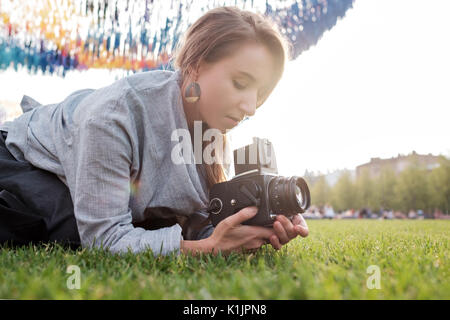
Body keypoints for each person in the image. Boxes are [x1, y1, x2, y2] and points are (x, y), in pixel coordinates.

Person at [0, 7, 309, 256]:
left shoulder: (214, 136)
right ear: (197, 66)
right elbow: (104, 239)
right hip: (21, 157)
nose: (251, 108)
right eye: (241, 84)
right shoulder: (116, 114)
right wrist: (207, 249)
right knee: (68, 226)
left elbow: (198, 223)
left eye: (259, 94)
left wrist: (252, 229)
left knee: (148, 225)